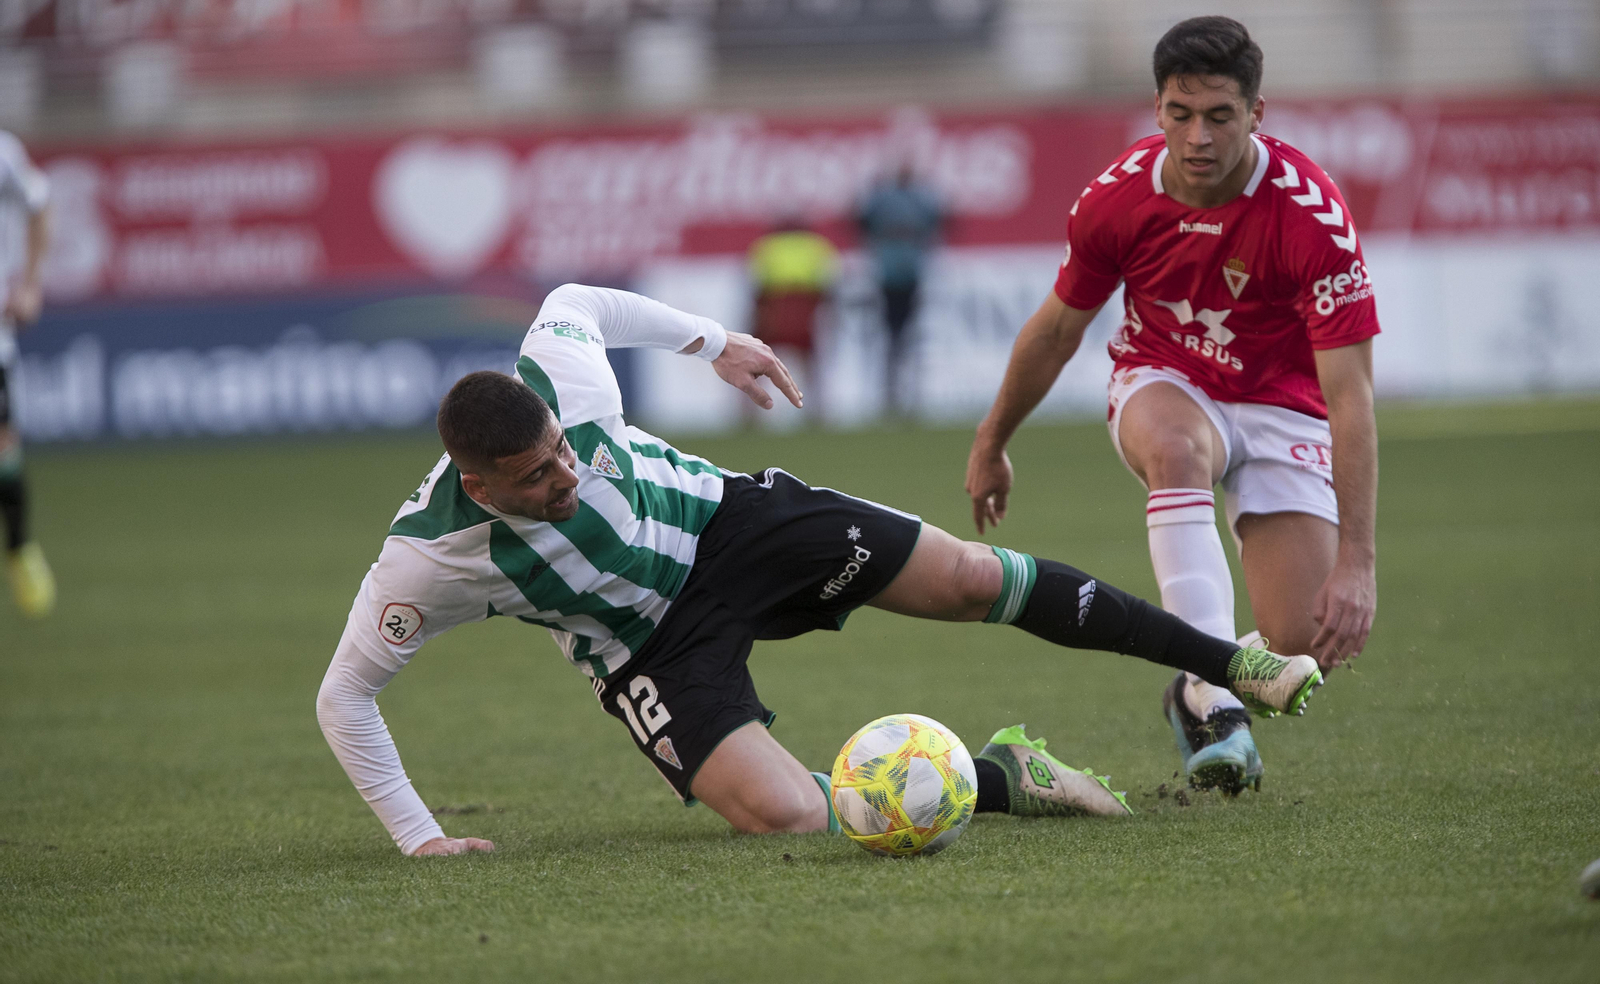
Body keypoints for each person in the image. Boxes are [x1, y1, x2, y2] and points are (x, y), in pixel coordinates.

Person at [316, 283, 1323, 856]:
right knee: (785, 815)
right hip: (647, 644)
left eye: (566, 452)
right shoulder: (427, 559)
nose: (566, 476)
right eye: (537, 477)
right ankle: (1004, 773)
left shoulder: (559, 383)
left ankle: (1231, 667)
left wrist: (717, 341)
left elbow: (572, 299)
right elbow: (345, 694)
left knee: (973, 577)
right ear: (480, 484)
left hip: (730, 522)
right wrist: (419, 835)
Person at [965, 16, 1379, 797]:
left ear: (1256, 114)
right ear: (1157, 108)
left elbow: (1350, 394)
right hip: (1165, 380)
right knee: (1180, 451)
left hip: (1283, 406)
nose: (1198, 136)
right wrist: (993, 440)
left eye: (1220, 116)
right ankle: (1217, 692)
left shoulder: (1311, 216)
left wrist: (1358, 562)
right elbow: (1057, 331)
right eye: (1181, 114)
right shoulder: (1115, 201)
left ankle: (1193, 684)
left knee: (1305, 643)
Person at [0, 131, 53, 618]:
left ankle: (19, 549)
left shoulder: (4, 154)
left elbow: (40, 202)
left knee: (4, 450)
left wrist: (31, 285)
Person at [856, 165, 943, 416]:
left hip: (898, 272)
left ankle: (903, 394)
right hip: (897, 273)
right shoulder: (913, 199)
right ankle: (897, 394)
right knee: (898, 337)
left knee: (901, 337)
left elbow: (862, 222)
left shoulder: (890, 199)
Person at [746, 217, 839, 417]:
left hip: (774, 314)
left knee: (751, 359)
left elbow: (758, 293)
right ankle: (816, 410)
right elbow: (826, 291)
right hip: (804, 315)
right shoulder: (816, 246)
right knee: (809, 362)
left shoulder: (766, 247)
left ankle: (748, 413)